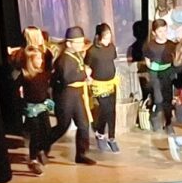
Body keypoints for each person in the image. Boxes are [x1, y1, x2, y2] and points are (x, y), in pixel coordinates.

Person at [49, 26, 96, 165]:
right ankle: (41, 145)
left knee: (83, 124)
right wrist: (85, 73)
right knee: (63, 125)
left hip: (78, 94)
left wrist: (86, 78)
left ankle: (81, 154)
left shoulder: (76, 55)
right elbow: (67, 78)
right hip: (66, 96)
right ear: (69, 44)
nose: (82, 45)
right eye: (78, 42)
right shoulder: (64, 59)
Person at [17, 44, 53, 175]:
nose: (41, 61)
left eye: (41, 58)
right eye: (38, 59)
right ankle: (33, 159)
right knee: (36, 133)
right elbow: (17, 91)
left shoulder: (43, 74)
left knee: (46, 131)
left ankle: (40, 150)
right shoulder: (25, 76)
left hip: (43, 107)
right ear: (30, 61)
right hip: (32, 110)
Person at [86, 22, 120, 153]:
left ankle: (112, 137)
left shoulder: (111, 48)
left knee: (112, 111)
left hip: (111, 83)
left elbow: (112, 61)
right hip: (99, 86)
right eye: (105, 38)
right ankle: (100, 134)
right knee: (105, 110)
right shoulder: (92, 51)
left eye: (109, 37)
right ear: (98, 37)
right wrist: (88, 78)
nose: (108, 40)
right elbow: (87, 66)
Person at [143, 18, 177, 135]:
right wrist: (154, 70)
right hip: (155, 73)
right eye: (160, 31)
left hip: (167, 73)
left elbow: (175, 59)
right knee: (158, 98)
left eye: (165, 30)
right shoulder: (149, 46)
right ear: (154, 33)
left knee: (168, 99)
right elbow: (148, 61)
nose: (163, 34)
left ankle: (168, 123)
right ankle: (155, 117)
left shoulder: (171, 45)